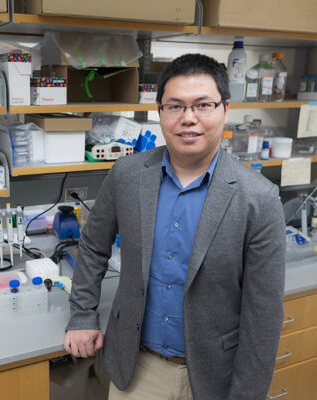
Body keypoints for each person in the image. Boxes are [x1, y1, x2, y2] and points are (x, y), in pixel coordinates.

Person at [64, 53, 286, 400]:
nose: (188, 119)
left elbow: (264, 315)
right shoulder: (127, 176)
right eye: (175, 106)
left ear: (225, 110)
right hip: (137, 370)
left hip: (214, 376)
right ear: (160, 113)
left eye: (203, 105)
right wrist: (82, 316)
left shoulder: (258, 198)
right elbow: (93, 247)